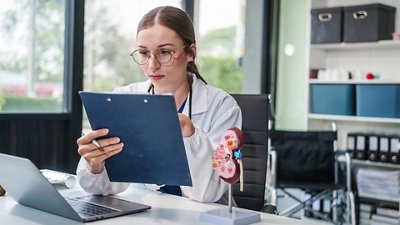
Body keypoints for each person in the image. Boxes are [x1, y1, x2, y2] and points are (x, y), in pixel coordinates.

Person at [76, 6, 242, 204]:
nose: (152, 65)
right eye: (144, 53)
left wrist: (189, 132)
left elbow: (208, 193)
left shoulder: (222, 107)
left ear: (191, 52)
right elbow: (104, 189)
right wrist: (95, 166)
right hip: (145, 213)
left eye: (165, 52)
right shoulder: (124, 98)